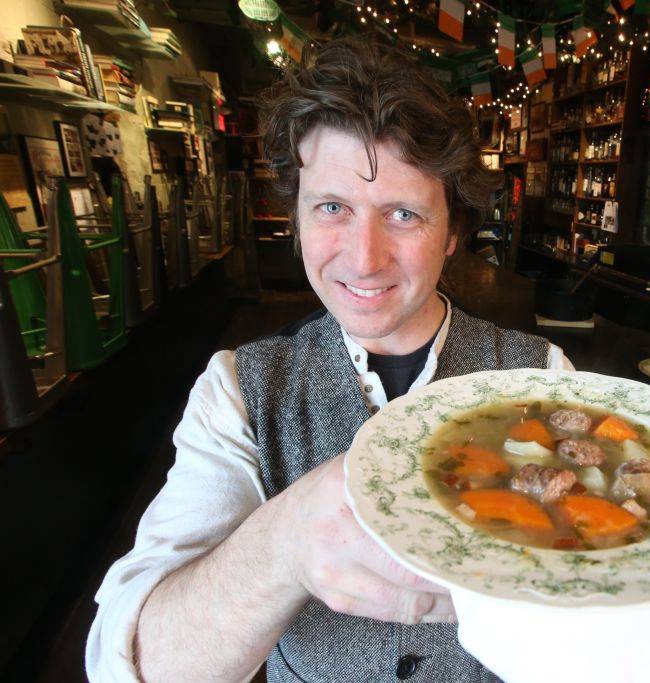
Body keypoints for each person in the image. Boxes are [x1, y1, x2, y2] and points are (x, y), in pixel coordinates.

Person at [86, 37, 572, 682]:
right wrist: (283, 542)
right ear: (296, 217)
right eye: (333, 208)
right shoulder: (235, 390)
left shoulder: (543, 375)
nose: (364, 258)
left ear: (454, 233)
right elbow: (129, 668)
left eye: (403, 213)